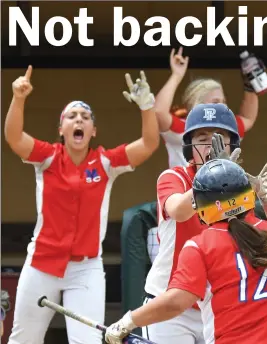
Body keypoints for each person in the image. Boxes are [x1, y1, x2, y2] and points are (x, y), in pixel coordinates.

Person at [4, 66, 159, 344]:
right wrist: (18, 97)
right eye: (72, 116)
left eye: (86, 117)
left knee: (86, 342)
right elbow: (14, 138)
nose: (79, 120)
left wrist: (147, 106)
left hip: (86, 269)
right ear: (61, 129)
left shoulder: (106, 162)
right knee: (23, 340)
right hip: (41, 264)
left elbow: (149, 143)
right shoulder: (48, 157)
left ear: (93, 130)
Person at [104, 158, 267, 344]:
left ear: (202, 207)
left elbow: (176, 302)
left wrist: (129, 321)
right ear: (248, 196)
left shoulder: (200, 245)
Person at [138, 103, 244, 343]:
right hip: (168, 303)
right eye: (202, 138)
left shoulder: (238, 188)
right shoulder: (173, 177)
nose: (210, 145)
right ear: (190, 147)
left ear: (232, 145)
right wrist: (212, 174)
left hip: (216, 305)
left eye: (219, 138)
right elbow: (178, 210)